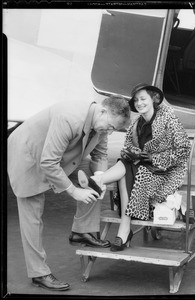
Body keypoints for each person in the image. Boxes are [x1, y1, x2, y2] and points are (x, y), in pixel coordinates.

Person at [7, 95, 131, 291]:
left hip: (55, 155)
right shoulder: (69, 117)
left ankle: (82, 231)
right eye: (109, 127)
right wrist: (74, 191)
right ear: (102, 111)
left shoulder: (103, 123)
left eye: (114, 130)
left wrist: (100, 177)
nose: (109, 132)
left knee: (95, 181)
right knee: (32, 214)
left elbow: (100, 155)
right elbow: (48, 162)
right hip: (28, 154)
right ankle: (39, 273)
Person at [78, 83, 191, 252]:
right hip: (140, 169)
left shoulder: (169, 120)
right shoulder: (135, 125)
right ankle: (123, 229)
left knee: (126, 171)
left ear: (155, 99)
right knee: (126, 165)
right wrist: (131, 154)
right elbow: (127, 149)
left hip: (164, 172)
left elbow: (183, 150)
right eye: (136, 100)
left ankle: (100, 181)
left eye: (143, 99)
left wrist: (155, 158)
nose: (139, 103)